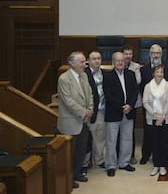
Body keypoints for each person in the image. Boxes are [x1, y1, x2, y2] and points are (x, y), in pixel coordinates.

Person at [57, 51, 94, 189]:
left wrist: (90, 109)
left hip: (84, 120)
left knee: (81, 149)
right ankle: (69, 177)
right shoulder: (64, 79)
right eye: (81, 61)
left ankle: (77, 173)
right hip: (70, 122)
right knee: (70, 153)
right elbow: (68, 101)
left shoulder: (84, 76)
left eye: (85, 61)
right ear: (72, 63)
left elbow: (90, 94)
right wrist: (84, 112)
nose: (85, 64)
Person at [103, 52, 139, 177]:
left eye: (122, 60)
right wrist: (121, 107)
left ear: (125, 62)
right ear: (113, 62)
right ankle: (111, 165)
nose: (120, 62)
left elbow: (135, 92)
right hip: (113, 113)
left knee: (127, 139)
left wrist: (130, 105)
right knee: (111, 141)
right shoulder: (107, 76)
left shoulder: (131, 74)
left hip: (129, 112)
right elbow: (108, 95)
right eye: (117, 60)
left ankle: (124, 162)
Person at [140, 43, 168, 165]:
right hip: (150, 109)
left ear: (162, 54)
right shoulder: (143, 69)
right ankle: (146, 155)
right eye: (153, 53)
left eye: (158, 53)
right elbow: (141, 88)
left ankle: (164, 158)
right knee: (148, 134)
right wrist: (152, 110)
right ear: (149, 54)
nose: (156, 55)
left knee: (164, 137)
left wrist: (163, 113)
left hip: (165, 110)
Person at [143, 64, 168, 177]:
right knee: (154, 142)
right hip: (152, 119)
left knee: (163, 142)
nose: (159, 74)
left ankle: (162, 165)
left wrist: (162, 116)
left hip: (165, 118)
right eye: (157, 72)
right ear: (153, 73)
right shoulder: (147, 86)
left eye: (161, 72)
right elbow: (145, 102)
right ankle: (156, 165)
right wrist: (155, 116)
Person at [85, 51, 106, 169]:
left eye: (99, 58)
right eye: (94, 59)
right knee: (87, 139)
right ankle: (86, 162)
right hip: (90, 111)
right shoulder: (84, 74)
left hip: (102, 110)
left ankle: (99, 160)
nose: (97, 61)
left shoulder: (103, 73)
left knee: (100, 136)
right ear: (88, 61)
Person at [122, 45, 142, 165]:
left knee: (131, 130)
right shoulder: (118, 64)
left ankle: (132, 155)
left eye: (130, 54)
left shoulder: (136, 66)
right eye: (126, 54)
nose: (128, 56)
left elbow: (137, 81)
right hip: (120, 102)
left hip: (132, 102)